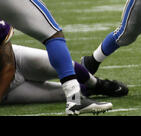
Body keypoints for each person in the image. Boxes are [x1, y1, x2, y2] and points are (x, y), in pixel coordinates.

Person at [0, 21, 128, 105]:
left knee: (67, 67)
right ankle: (89, 90)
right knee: (68, 94)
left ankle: (98, 84)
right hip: (7, 90)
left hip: (16, 61)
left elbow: (9, 66)